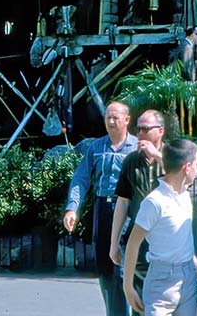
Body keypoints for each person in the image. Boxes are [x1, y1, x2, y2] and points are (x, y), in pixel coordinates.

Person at [64, 100, 137, 316]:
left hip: (127, 212)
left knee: (123, 269)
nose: (111, 121)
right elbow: (81, 178)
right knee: (106, 270)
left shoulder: (136, 148)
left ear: (127, 120)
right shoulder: (96, 147)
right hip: (103, 210)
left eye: (116, 117)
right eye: (108, 117)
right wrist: (72, 208)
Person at [123, 138, 197, 316]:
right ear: (187, 168)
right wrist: (128, 287)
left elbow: (181, 240)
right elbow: (133, 244)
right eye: (196, 164)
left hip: (188, 277)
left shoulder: (185, 196)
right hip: (161, 279)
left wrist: (196, 265)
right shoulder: (154, 202)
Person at [109, 108, 166, 302]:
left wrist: (157, 155)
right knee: (139, 299)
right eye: (138, 129)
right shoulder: (131, 160)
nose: (140, 133)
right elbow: (123, 202)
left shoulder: (174, 156)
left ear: (160, 131)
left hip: (167, 235)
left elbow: (185, 181)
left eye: (145, 129)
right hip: (139, 236)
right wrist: (113, 243)